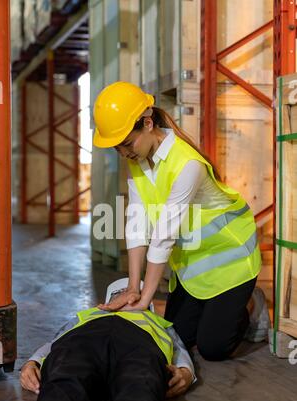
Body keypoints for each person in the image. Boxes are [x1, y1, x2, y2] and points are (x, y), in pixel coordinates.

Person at [93, 81, 268, 361]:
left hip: (232, 262)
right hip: (193, 268)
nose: (124, 153)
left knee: (213, 348)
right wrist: (133, 288)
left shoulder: (188, 164)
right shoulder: (138, 161)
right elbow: (137, 223)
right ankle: (216, 308)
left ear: (148, 124)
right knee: (178, 339)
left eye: (126, 144)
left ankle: (250, 306)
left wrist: (146, 299)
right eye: (117, 148)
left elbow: (164, 234)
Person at [0, 279, 196, 401]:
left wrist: (186, 371)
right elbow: (55, 343)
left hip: (139, 345)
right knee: (64, 378)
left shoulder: (160, 322)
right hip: (84, 340)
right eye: (121, 294)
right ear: (109, 299)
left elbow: (179, 348)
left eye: (134, 294)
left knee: (140, 386)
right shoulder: (86, 315)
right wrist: (34, 361)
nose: (128, 298)